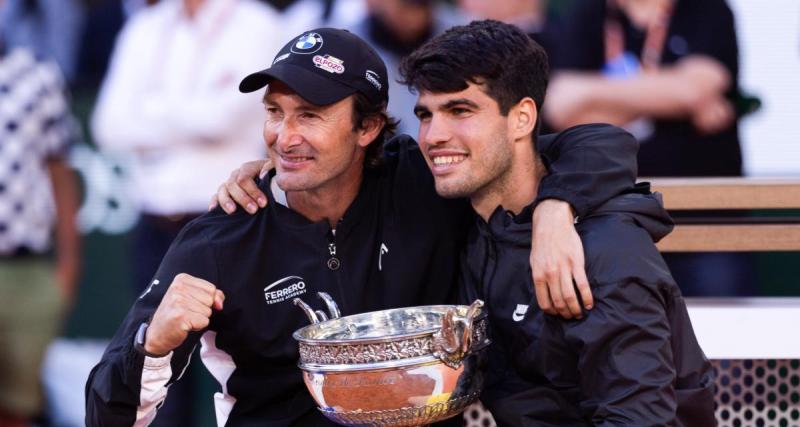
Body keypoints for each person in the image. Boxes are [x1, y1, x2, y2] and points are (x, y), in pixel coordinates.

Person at [85, 27, 640, 426]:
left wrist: (554, 206)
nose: (285, 136)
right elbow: (106, 412)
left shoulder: (424, 180)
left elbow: (596, 145)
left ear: (369, 127)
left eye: (311, 115)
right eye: (275, 112)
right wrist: (151, 345)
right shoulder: (222, 236)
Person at [398, 19, 715, 425]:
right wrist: (554, 207)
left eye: (460, 110)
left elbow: (639, 419)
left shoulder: (601, 253)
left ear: (522, 118)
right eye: (426, 115)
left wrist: (555, 209)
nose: (433, 135)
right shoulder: (469, 217)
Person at [90, 1, 281, 424]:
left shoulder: (258, 23)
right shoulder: (145, 26)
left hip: (234, 217)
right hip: (155, 224)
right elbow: (109, 123)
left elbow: (225, 116)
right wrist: (193, 110)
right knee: (151, 368)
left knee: (242, 371)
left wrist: (154, 108)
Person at [546, 0, 754, 297]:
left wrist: (592, 96)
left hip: (706, 222)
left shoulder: (707, 9)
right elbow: (561, 105)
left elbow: (695, 88)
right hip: (611, 221)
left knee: (723, 334)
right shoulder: (588, 14)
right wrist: (672, 98)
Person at [0, 36, 82, 427]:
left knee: (18, 407)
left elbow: (60, 173)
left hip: (26, 267)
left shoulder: (37, 75)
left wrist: (68, 266)